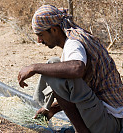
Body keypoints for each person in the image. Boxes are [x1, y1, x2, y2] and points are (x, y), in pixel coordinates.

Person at [17, 5, 123, 133]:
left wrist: (34, 67)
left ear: (54, 30)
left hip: (109, 124)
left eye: (41, 35)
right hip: (110, 118)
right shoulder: (76, 36)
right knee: (57, 67)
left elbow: (77, 68)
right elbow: (83, 89)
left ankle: (81, 131)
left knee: (53, 67)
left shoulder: (73, 43)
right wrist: (53, 109)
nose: (39, 40)